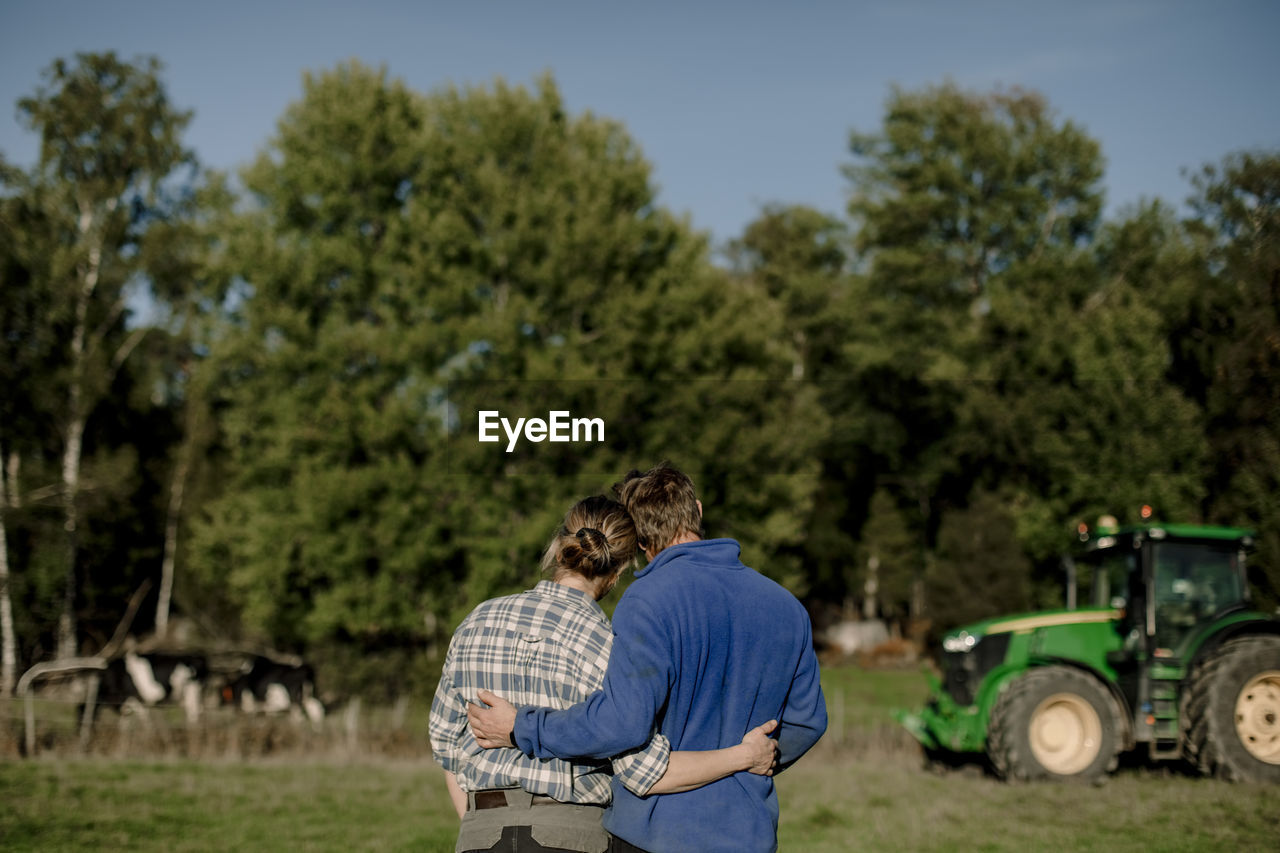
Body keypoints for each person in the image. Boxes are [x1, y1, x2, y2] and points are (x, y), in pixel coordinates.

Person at [469, 464, 827, 853]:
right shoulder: (786, 607)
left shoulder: (647, 600)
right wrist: (757, 759)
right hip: (749, 834)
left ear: (639, 540)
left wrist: (523, 727)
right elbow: (808, 721)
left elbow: (623, 724)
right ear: (699, 511)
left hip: (656, 834)